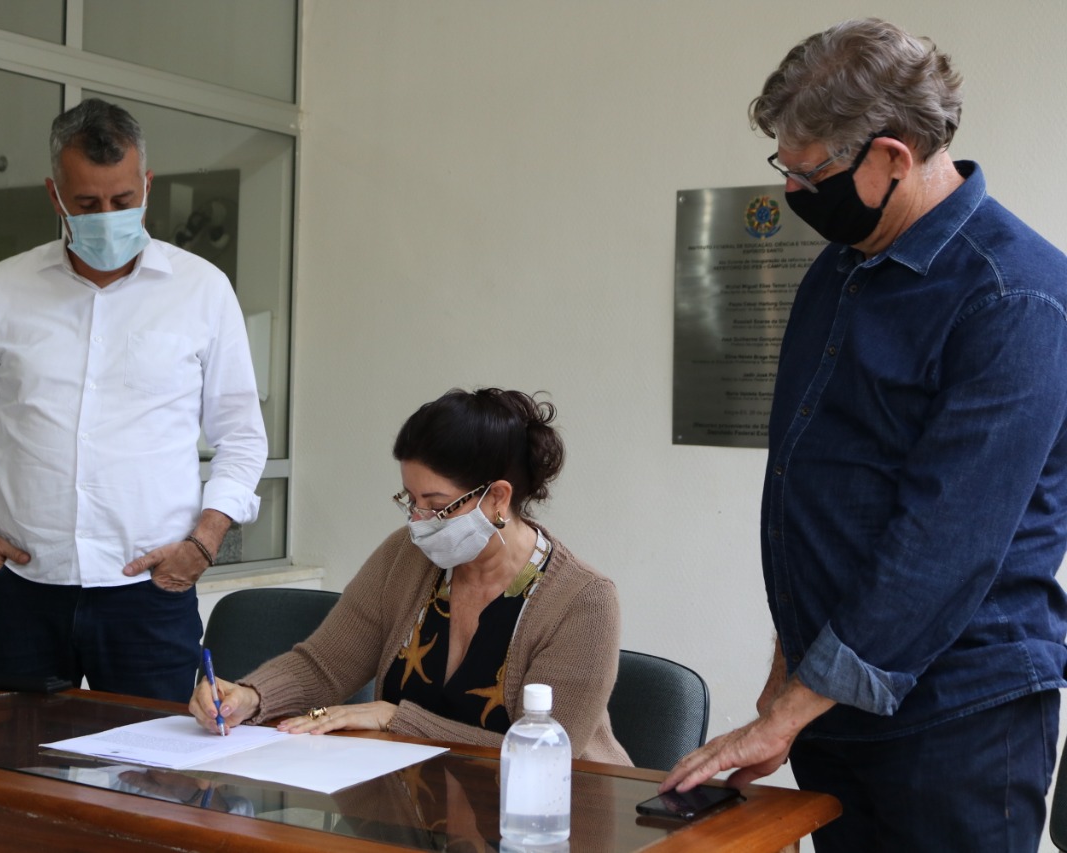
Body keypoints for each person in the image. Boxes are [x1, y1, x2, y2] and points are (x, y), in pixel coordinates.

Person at [661, 19, 1067, 852]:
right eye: (784, 167)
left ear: (891, 155)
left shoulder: (1015, 296)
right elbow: (813, 497)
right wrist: (786, 686)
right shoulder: (841, 270)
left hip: (957, 721)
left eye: (809, 172)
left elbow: (943, 542)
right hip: (835, 707)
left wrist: (791, 710)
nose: (792, 191)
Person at [0, 98, 267, 702]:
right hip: (20, 590)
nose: (107, 217)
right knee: (10, 757)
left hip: (151, 592)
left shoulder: (202, 291)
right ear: (54, 195)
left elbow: (240, 435)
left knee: (152, 760)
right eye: (86, 204)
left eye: (122, 199)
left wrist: (204, 543)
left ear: (147, 186)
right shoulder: (3, 289)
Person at [190, 388, 629, 763]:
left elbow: (545, 754)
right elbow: (325, 664)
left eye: (437, 505)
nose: (419, 521)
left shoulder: (582, 601)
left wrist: (395, 719)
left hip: (549, 815)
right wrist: (252, 696)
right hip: (413, 804)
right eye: (411, 499)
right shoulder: (406, 556)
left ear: (498, 497)